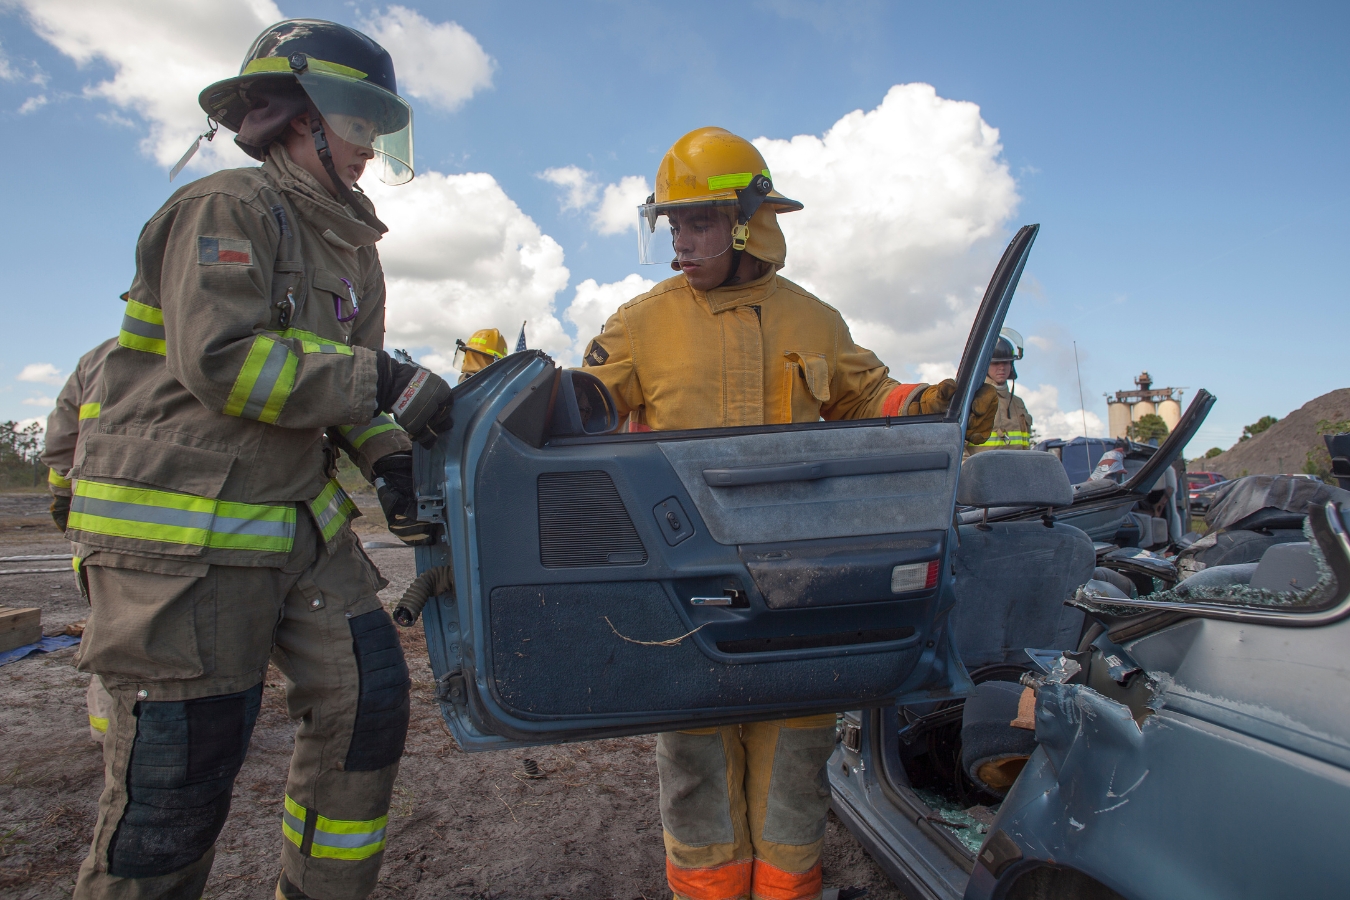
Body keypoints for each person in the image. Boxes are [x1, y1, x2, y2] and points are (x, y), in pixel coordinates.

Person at [64, 20, 454, 900]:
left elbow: (344, 392)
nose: (367, 149)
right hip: (183, 541)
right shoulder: (226, 210)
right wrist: (383, 380)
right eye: (358, 124)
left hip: (295, 525)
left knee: (367, 707)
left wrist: (392, 462)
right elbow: (223, 359)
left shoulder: (357, 251)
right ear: (301, 117)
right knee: (177, 782)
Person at [581, 126, 998, 900]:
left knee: (795, 766)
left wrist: (937, 404)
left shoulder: (815, 320)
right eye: (671, 223)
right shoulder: (638, 323)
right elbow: (583, 411)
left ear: (747, 222)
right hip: (688, 584)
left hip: (803, 585)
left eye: (696, 221)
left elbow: (868, 397)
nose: (679, 239)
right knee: (695, 766)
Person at [40, 334, 118, 742]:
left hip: (93, 521)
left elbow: (59, 446)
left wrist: (62, 498)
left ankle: (108, 733)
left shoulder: (96, 358)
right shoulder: (202, 342)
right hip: (177, 523)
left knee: (111, 628)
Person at [966, 328, 1033, 454]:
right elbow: (959, 446)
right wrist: (969, 472)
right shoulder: (973, 400)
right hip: (984, 472)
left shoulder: (1018, 404)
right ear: (985, 366)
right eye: (995, 363)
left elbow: (1026, 447)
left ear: (1011, 365)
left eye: (1006, 362)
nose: (1001, 367)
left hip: (1016, 471)